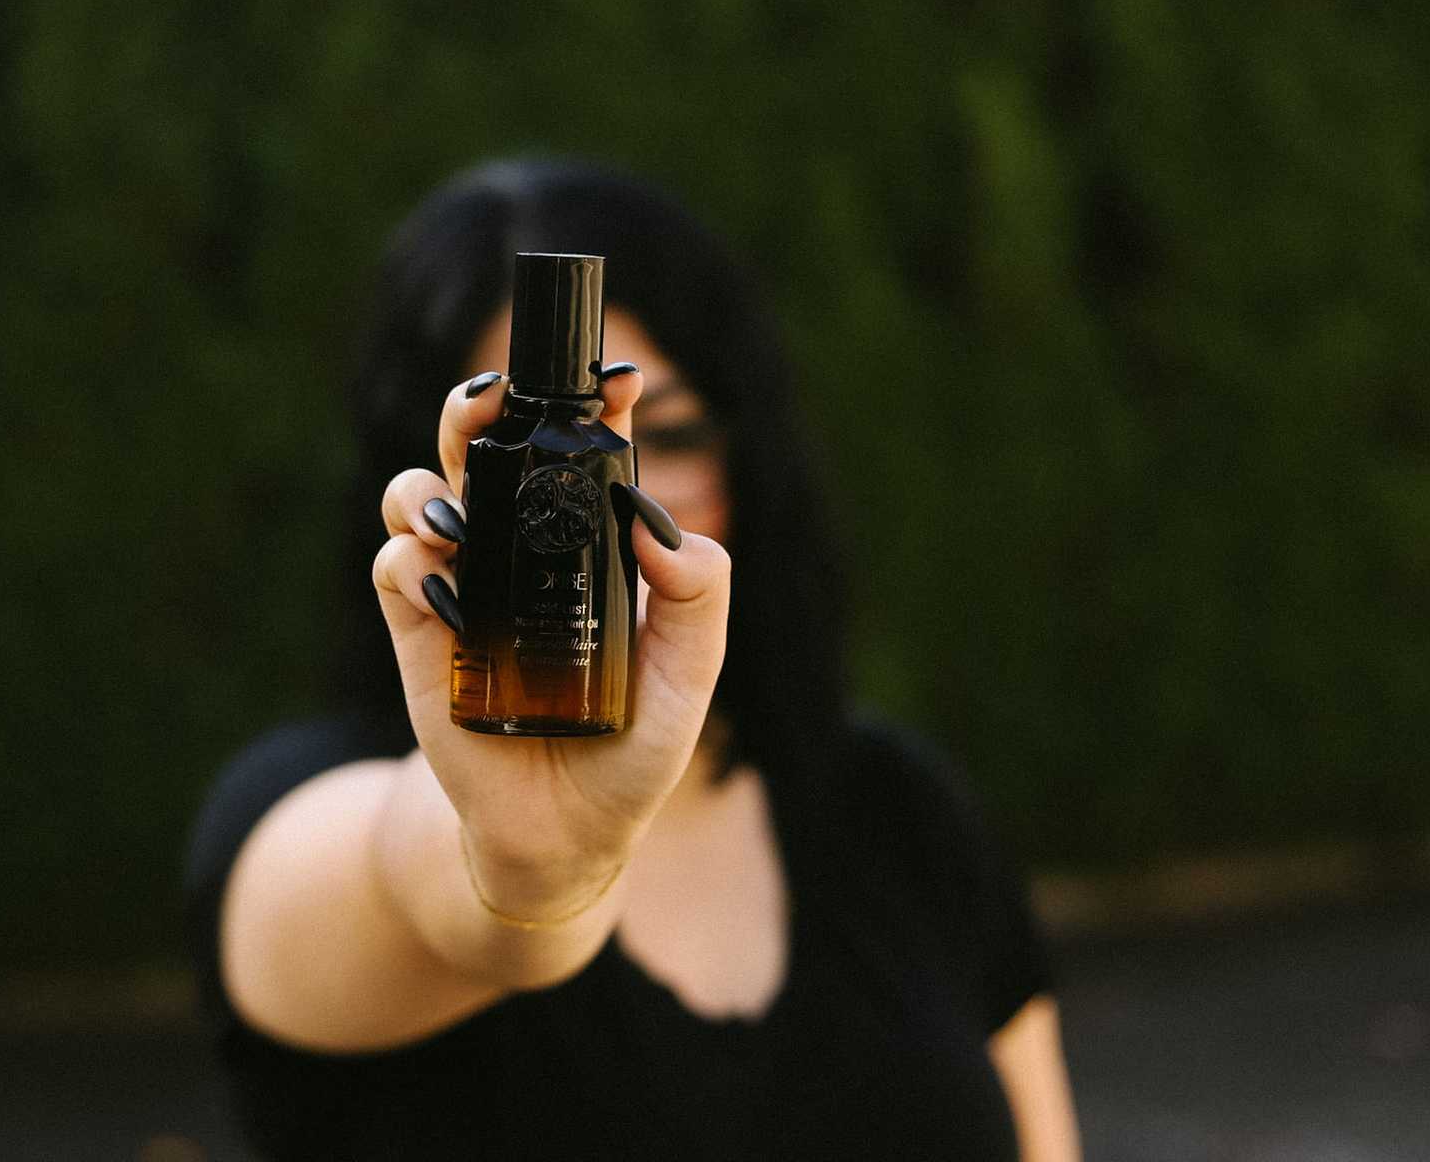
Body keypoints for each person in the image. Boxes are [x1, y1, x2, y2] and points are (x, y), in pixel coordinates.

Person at [184, 158, 1083, 1159]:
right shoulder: (300, 820)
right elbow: (415, 875)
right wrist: (533, 866)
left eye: (674, 433)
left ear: (749, 454)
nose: (606, 508)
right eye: (527, 456)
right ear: (438, 480)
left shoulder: (897, 810)